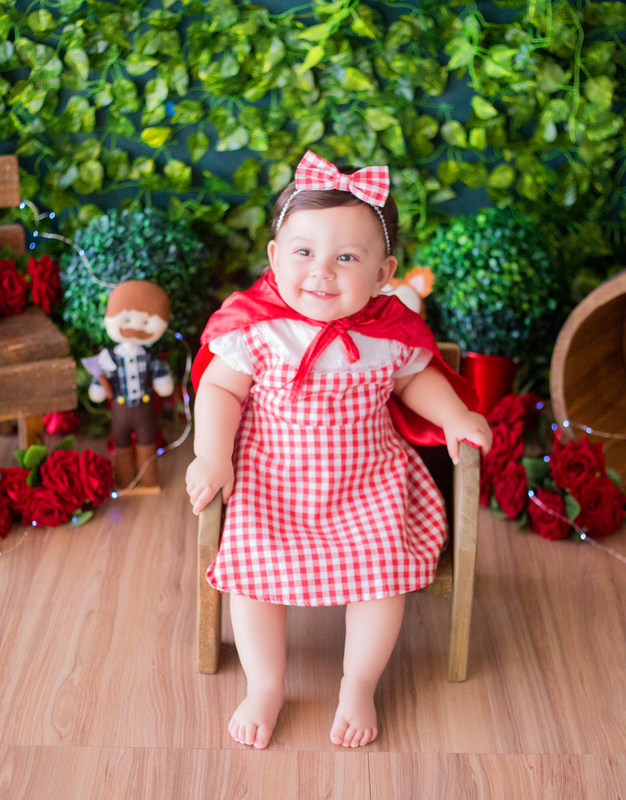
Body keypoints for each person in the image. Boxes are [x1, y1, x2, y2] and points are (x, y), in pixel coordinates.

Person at [185, 151, 493, 750]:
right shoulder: (258, 329)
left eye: (347, 258)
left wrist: (454, 414)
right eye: (303, 253)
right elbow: (219, 387)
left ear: (384, 273)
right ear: (274, 258)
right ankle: (266, 684)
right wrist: (213, 453)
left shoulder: (386, 333)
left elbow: (415, 379)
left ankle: (359, 683)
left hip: (365, 482)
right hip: (270, 481)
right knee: (250, 576)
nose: (321, 273)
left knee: (383, 576)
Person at [84, 281, 175, 490]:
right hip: (121, 410)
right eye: (126, 319)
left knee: (147, 445)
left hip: (144, 411)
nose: (134, 327)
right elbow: (99, 384)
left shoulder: (151, 358)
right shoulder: (109, 358)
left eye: (145, 322)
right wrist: (99, 387)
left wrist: (163, 381)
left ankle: (149, 481)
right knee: (121, 445)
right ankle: (125, 482)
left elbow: (163, 381)